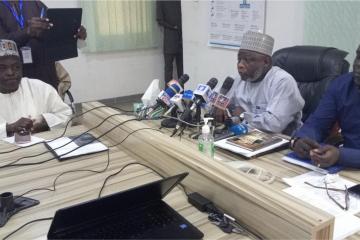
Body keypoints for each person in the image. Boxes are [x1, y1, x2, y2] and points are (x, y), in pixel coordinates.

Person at [224, 31, 304, 135]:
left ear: (266, 62)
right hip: (244, 136)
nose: (240, 65)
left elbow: (274, 125)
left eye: (248, 60)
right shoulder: (239, 79)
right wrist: (220, 108)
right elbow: (224, 102)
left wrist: (243, 115)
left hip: (281, 142)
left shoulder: (282, 81)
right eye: (239, 59)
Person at [292, 45, 360, 168]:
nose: (358, 65)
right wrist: (302, 140)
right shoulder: (342, 85)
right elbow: (317, 124)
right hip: (345, 170)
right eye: (358, 57)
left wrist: (341, 156)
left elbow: (341, 155)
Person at [0, 0, 87, 89]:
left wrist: (75, 34)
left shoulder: (36, 3)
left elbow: (53, 32)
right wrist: (26, 32)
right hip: (12, 77)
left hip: (46, 74)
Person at [0, 39, 72, 139]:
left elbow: (66, 115)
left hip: (42, 148)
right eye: (2, 68)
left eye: (16, 67)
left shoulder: (39, 87)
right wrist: (9, 128)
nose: (10, 72)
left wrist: (45, 122)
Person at [156, 0, 183, 84]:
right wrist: (173, 27)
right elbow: (159, 20)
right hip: (170, 39)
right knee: (168, 69)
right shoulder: (160, 1)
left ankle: (183, 91)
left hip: (181, 38)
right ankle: (168, 92)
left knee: (182, 68)